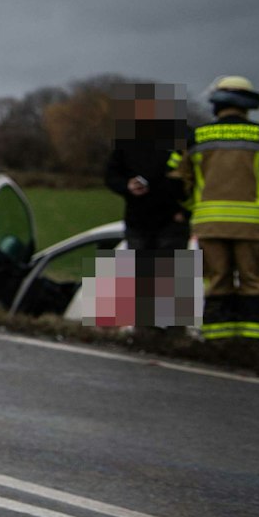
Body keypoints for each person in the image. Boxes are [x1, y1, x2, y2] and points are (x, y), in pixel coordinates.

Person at [169, 76, 259, 342]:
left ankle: (218, 342)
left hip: (210, 225)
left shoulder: (196, 137)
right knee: (254, 282)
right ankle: (255, 343)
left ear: (217, 103)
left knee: (217, 281)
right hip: (253, 227)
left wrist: (194, 208)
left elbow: (178, 180)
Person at [103, 82, 190, 332]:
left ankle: (172, 335)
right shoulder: (127, 142)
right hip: (138, 220)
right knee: (142, 281)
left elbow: (192, 179)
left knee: (170, 282)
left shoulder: (184, 140)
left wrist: (184, 212)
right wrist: (127, 185)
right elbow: (110, 175)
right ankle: (144, 334)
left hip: (171, 220)